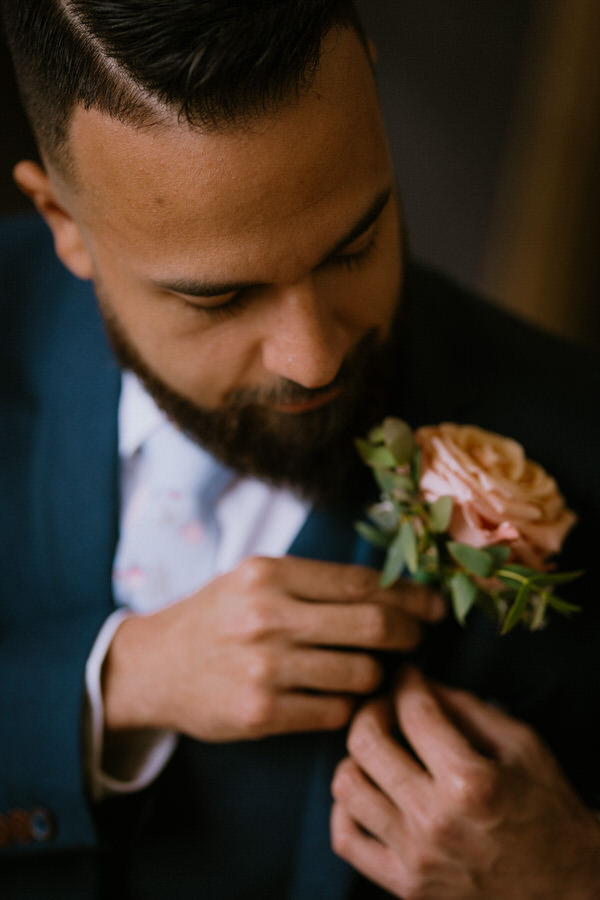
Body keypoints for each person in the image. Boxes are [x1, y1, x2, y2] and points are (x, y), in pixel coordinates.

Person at [1, 1, 599, 897]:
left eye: (355, 244)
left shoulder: (577, 432)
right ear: (62, 221)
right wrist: (105, 691)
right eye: (220, 299)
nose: (314, 356)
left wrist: (572, 876)